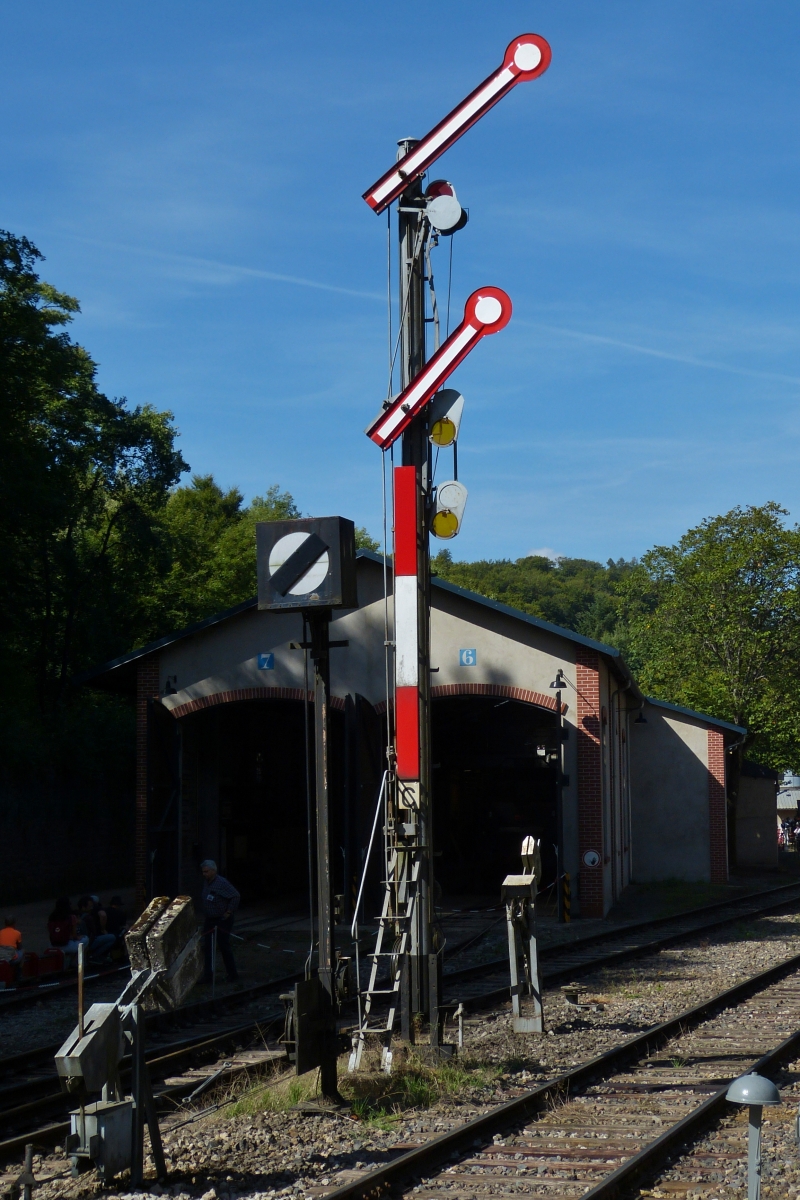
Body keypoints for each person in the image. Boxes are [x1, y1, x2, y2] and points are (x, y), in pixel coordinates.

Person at [200, 860, 240, 984]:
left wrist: (229, 911)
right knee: (208, 947)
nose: (204, 874)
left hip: (221, 920)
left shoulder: (222, 883)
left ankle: (232, 974)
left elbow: (235, 895)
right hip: (210, 919)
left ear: (213, 871)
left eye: (206, 872)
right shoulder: (207, 883)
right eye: (203, 872)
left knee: (224, 946)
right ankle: (208, 976)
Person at [76, 895, 116, 964]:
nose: (91, 908)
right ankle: (94, 956)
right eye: (89, 906)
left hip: (80, 941)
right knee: (112, 937)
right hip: (88, 941)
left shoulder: (76, 915)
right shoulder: (88, 918)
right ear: (83, 907)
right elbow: (93, 933)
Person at [47, 897, 88, 963]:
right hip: (66, 945)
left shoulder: (51, 917)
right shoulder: (71, 917)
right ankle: (78, 962)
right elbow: (74, 935)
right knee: (86, 939)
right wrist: (79, 937)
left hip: (52, 945)